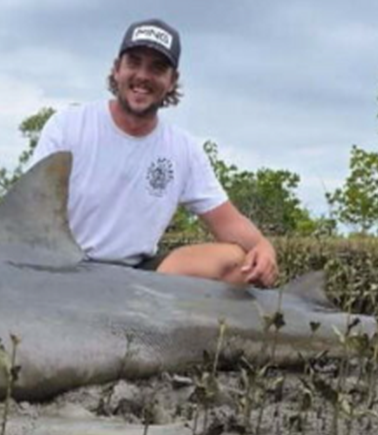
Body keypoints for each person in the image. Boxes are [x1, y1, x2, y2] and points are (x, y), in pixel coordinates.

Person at [30, 18, 279, 287]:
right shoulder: (68, 125)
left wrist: (264, 247)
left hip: (138, 277)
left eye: (157, 68)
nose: (143, 76)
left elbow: (228, 222)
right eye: (134, 63)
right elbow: (32, 213)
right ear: (116, 70)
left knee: (236, 258)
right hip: (65, 268)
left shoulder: (183, 149)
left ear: (172, 81)